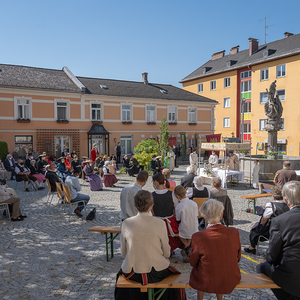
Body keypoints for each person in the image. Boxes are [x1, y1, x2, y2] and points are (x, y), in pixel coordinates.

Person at [115, 190, 185, 300]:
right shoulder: (160, 223)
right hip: (156, 271)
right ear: (151, 206)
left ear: (135, 206)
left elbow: (124, 254)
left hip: (133, 271)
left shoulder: (126, 223)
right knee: (175, 281)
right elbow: (167, 253)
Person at [189, 199, 241, 300]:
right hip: (229, 277)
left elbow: (193, 262)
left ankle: (200, 298)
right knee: (216, 264)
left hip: (206, 278)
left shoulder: (198, 236)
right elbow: (238, 258)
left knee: (201, 267)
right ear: (221, 215)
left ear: (204, 217)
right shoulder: (234, 232)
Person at [256, 181, 300, 300]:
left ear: (285, 200)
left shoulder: (279, 221)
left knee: (261, 267)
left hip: (290, 274)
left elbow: (271, 256)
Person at [244, 185, 289, 254]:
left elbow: (263, 220)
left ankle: (252, 247)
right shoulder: (288, 205)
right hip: (285, 230)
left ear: (273, 196)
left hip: (272, 231)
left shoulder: (271, 206)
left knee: (254, 230)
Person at [152, 173, 183, 253]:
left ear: (155, 182)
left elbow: (152, 212)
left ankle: (161, 249)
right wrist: (172, 215)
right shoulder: (172, 194)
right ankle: (168, 249)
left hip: (157, 222)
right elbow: (176, 208)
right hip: (170, 221)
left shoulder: (152, 195)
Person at [174, 185, 198, 262]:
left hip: (184, 228)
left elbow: (178, 219)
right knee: (189, 232)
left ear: (177, 196)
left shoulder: (179, 206)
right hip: (194, 228)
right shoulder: (194, 203)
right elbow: (196, 215)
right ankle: (188, 249)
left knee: (181, 234)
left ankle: (186, 248)